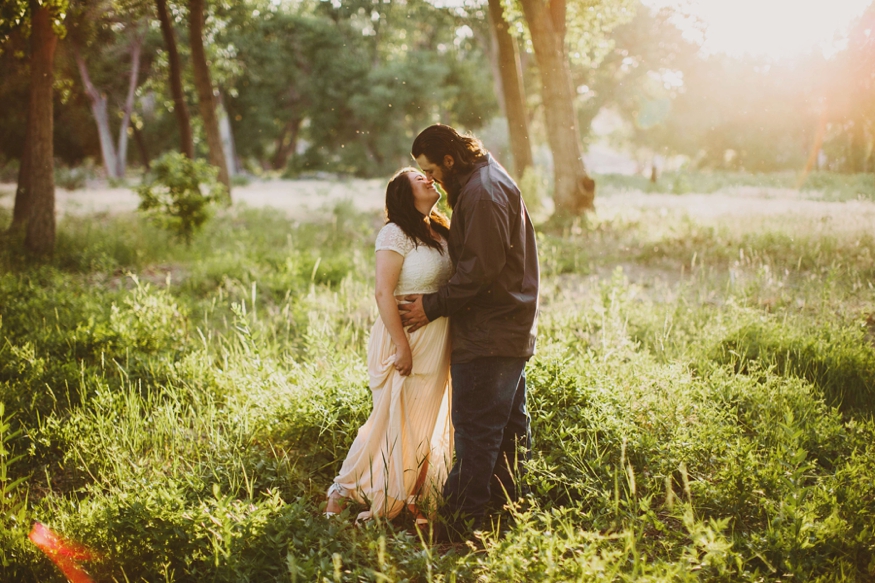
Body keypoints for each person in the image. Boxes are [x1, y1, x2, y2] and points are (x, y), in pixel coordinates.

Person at [399, 124, 540, 540]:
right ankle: (509, 517)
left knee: (476, 434)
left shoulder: (482, 192)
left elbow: (478, 272)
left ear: (448, 159)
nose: (432, 180)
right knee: (510, 430)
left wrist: (430, 306)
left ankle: (455, 533)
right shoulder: (483, 181)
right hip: (504, 328)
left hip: (490, 332)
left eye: (431, 169)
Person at [325, 168, 454, 524]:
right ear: (403, 193)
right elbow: (383, 292)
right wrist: (402, 346)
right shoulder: (395, 234)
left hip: (437, 338)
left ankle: (409, 494)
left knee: (422, 423)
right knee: (390, 420)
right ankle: (342, 490)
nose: (429, 179)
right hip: (406, 338)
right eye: (419, 178)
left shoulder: (440, 230)